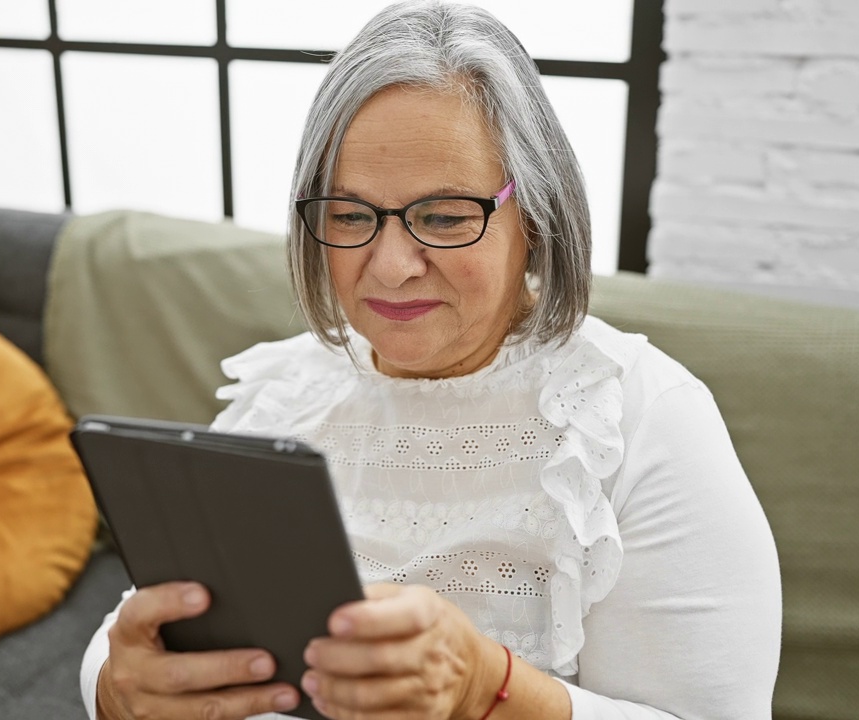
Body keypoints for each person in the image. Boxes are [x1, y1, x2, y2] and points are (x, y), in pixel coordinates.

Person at [80, 2, 782, 718]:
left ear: (536, 219)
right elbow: (134, 625)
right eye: (350, 216)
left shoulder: (634, 416)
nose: (389, 267)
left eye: (444, 216)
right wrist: (114, 686)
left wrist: (488, 686)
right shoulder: (288, 393)